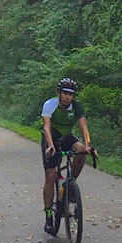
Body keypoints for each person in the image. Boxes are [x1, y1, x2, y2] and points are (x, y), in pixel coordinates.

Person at [40, 77, 93, 234]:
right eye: (65, 93)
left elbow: (83, 127)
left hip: (67, 137)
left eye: (71, 94)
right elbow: (47, 127)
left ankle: (70, 184)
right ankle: (49, 215)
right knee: (51, 176)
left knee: (81, 150)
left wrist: (88, 146)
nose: (67, 97)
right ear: (59, 93)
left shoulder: (76, 107)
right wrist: (50, 145)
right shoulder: (50, 105)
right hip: (52, 138)